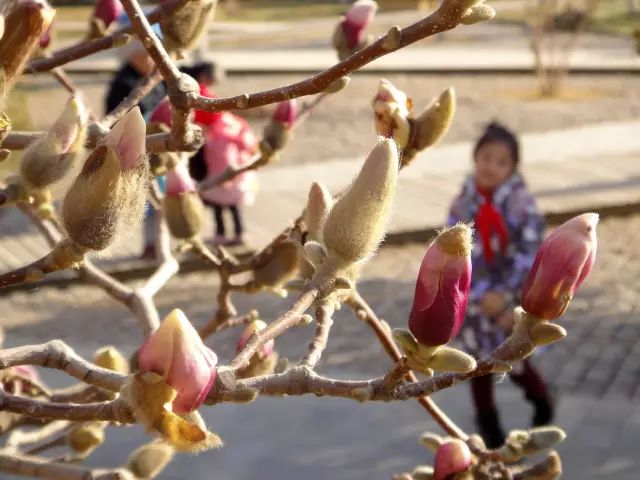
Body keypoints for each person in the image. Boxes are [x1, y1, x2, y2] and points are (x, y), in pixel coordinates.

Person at [447, 122, 554, 448]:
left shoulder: (521, 205)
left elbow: (532, 254)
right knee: (477, 367)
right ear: (475, 158)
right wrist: (478, 296)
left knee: (516, 361)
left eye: (501, 161)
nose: (491, 166)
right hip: (476, 303)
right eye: (485, 157)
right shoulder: (463, 203)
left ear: (512, 168)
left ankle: (542, 402)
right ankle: (489, 427)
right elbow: (452, 251)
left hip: (509, 304)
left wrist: (508, 298)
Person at [199, 109, 258, 246]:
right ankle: (238, 233)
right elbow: (245, 146)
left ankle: (224, 233)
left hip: (220, 176)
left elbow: (216, 157)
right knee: (232, 207)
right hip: (232, 175)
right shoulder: (235, 129)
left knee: (221, 207)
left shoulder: (216, 134)